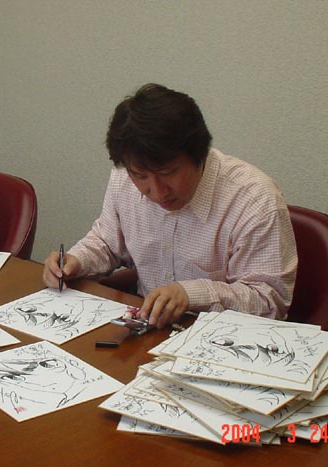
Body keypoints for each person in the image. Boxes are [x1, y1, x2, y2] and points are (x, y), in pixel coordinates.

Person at [43, 83, 297, 329]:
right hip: (147, 329)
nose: (157, 191)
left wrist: (191, 294)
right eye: (141, 176)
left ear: (199, 155)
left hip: (221, 337)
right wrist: (76, 261)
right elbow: (107, 243)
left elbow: (269, 300)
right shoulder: (124, 178)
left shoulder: (254, 200)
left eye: (168, 173)